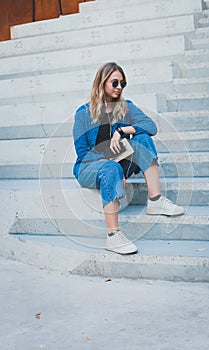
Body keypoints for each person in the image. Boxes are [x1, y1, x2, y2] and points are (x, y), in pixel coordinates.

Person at [73, 62, 184, 255]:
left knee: (142, 138)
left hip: (119, 160)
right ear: (102, 82)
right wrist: (110, 165)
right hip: (89, 166)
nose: (119, 88)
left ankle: (155, 200)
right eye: (114, 82)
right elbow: (82, 154)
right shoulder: (83, 113)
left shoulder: (126, 107)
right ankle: (113, 236)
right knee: (110, 169)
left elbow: (151, 127)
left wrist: (121, 130)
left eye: (122, 84)